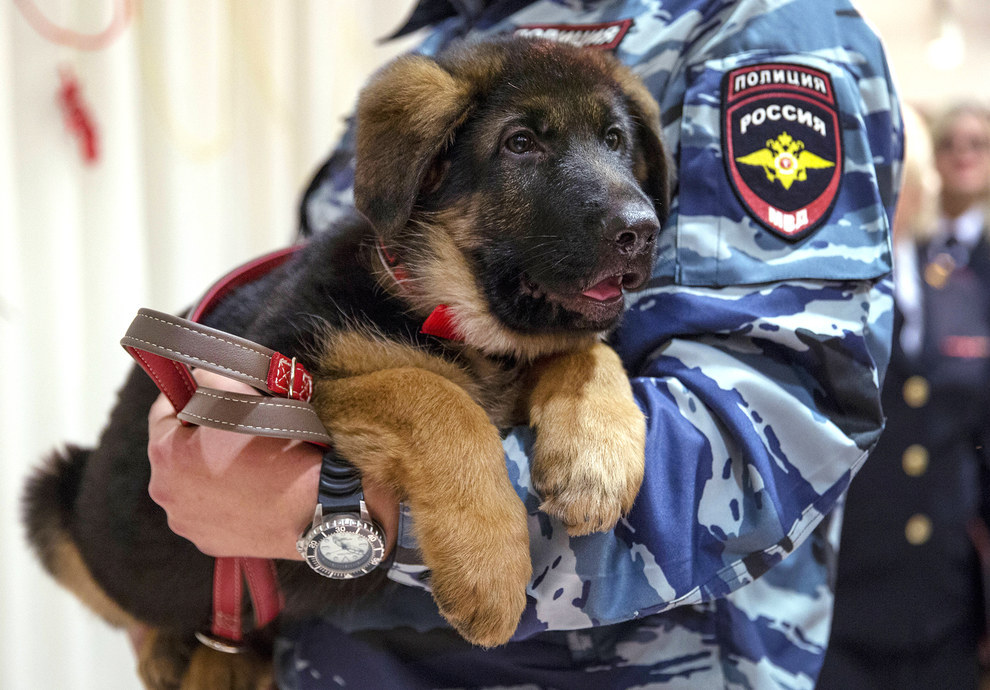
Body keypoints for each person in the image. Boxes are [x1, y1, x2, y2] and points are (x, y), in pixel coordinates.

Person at [146, 0, 903, 687]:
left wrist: (348, 513)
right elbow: (338, 320)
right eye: (522, 144)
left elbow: (777, 428)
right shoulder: (446, 43)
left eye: (615, 143)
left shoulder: (756, 29)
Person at [818, 103, 990, 689]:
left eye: (898, 176)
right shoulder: (820, 301)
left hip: (946, 603)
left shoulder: (963, 285)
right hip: (842, 601)